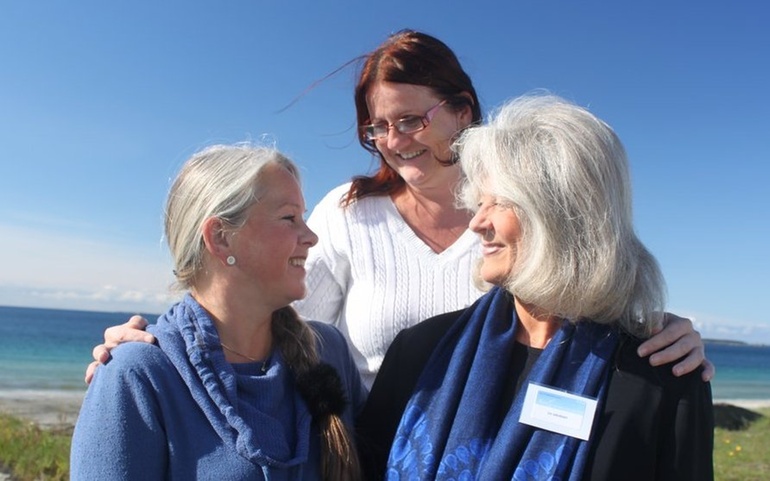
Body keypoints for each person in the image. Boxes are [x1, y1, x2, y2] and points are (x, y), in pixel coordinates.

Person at [85, 30, 712, 389]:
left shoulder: (517, 222)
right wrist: (157, 348)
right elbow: (269, 326)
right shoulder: (348, 214)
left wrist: (659, 332)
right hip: (371, 450)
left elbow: (585, 293)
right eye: (377, 128)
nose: (394, 140)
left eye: (411, 119)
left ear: (464, 110)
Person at [356, 94, 714, 480]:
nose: (477, 222)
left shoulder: (659, 377)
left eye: (500, 203)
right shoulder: (421, 351)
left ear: (562, 213)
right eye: (479, 202)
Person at [70, 144, 365, 480]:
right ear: (221, 237)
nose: (311, 237)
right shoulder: (139, 374)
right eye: (289, 218)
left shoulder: (327, 351)